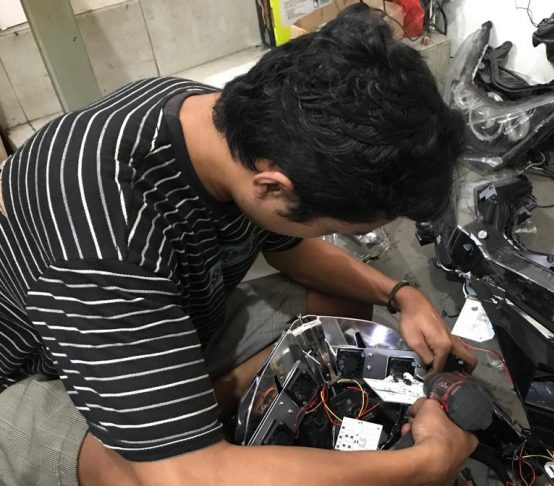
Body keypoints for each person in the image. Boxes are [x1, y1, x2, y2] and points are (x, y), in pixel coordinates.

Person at [0, 5, 477, 485]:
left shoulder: (231, 121)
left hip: (172, 315)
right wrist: (425, 465)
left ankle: (193, 421)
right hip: (39, 373)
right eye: (338, 227)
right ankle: (190, 433)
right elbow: (180, 478)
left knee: (347, 312)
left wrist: (402, 296)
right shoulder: (102, 244)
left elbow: (288, 247)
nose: (333, 237)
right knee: (133, 476)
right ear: (272, 187)